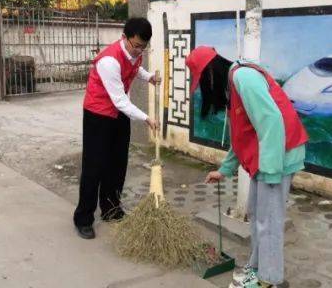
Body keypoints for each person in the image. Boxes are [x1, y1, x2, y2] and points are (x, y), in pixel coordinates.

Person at [189, 47, 309, 288]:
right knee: (257, 216)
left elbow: (271, 121)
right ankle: (257, 268)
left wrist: (272, 172)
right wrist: (223, 170)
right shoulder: (234, 86)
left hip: (277, 158)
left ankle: (269, 280)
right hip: (265, 157)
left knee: (269, 221)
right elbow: (241, 136)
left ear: (210, 74)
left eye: (203, 82)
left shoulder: (243, 77)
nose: (206, 90)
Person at [74, 18, 161, 239]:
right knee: (94, 166)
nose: (139, 50)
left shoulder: (134, 52)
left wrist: (149, 77)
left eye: (144, 46)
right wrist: (147, 118)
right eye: (137, 45)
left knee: (117, 163)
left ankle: (111, 209)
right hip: (98, 114)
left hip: (119, 115)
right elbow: (120, 100)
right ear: (125, 38)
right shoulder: (109, 61)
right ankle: (83, 218)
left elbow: (136, 67)